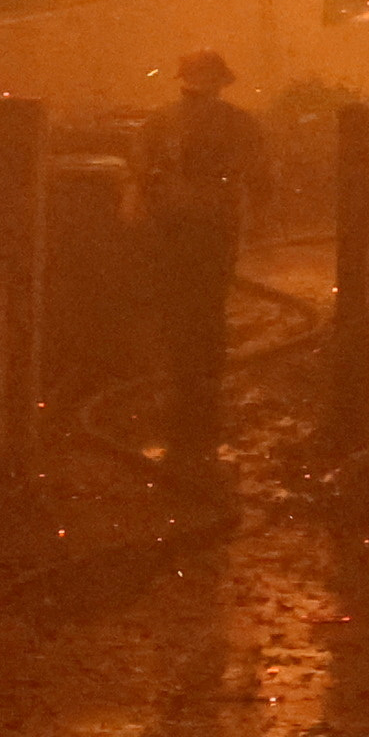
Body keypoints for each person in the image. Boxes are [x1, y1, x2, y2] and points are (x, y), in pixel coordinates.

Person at [132, 48, 267, 520]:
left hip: (177, 232)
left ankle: (185, 398)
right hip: (209, 232)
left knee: (180, 316)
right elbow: (258, 177)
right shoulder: (237, 124)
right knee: (206, 314)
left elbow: (142, 178)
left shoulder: (159, 123)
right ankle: (200, 401)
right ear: (220, 82)